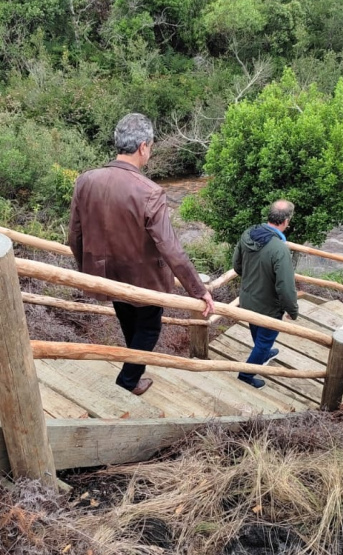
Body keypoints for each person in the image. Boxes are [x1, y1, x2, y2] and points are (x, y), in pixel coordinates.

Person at [68, 113, 215, 396]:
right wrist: (199, 290)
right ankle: (127, 382)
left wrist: (88, 270)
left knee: (129, 323)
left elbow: (75, 235)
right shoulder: (150, 191)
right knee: (148, 330)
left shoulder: (86, 180)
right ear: (143, 147)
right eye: (151, 146)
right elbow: (170, 247)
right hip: (144, 280)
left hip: (107, 275)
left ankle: (132, 377)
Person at [232, 200, 299, 388]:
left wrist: (253, 281)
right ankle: (246, 375)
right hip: (269, 307)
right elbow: (285, 286)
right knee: (263, 342)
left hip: (247, 299)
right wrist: (292, 311)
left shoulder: (248, 234)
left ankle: (264, 353)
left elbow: (237, 265)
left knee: (258, 333)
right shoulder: (279, 249)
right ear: (286, 221)